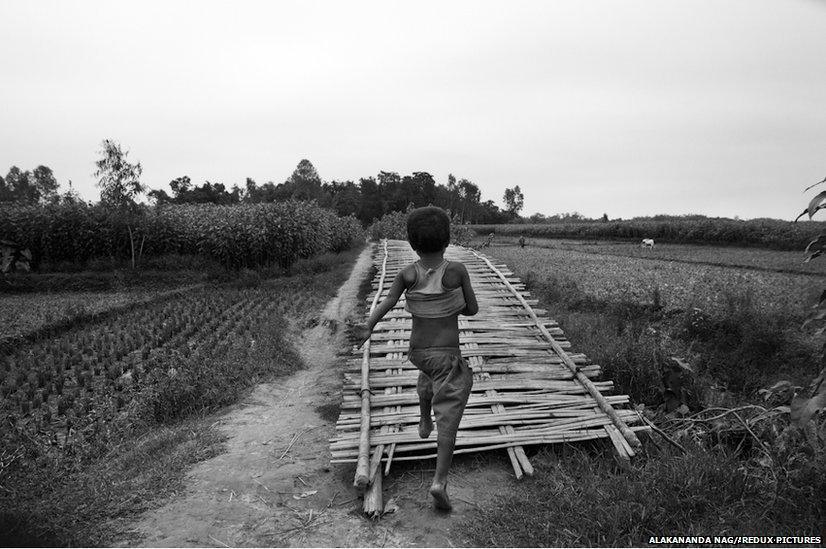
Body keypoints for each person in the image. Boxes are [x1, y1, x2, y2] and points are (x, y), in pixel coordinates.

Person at [352, 206, 478, 511]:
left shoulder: (408, 273)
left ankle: (423, 417)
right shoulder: (457, 271)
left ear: (411, 243)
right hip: (446, 354)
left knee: (430, 375)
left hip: (418, 352)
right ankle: (439, 482)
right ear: (448, 240)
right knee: (449, 412)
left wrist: (368, 326)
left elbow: (389, 300)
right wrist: (452, 305)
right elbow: (472, 309)